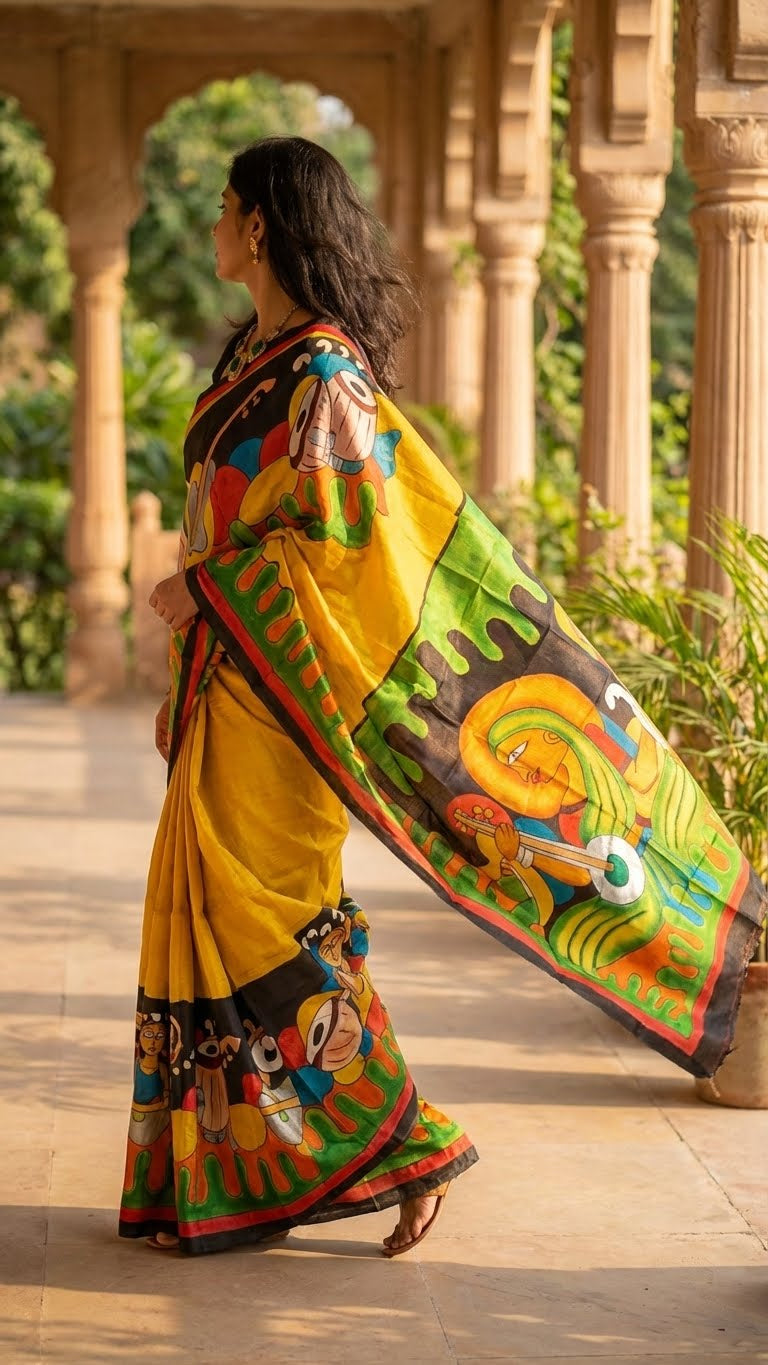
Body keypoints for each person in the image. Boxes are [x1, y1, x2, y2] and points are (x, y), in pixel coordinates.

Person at [119, 137, 765, 1258]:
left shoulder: (324, 373)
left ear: (262, 224)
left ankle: (404, 1141)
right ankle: (230, 1175)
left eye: (226, 209)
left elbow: (344, 541)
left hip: (284, 694)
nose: (214, 229)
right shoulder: (256, 358)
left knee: (265, 917)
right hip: (229, 684)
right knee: (213, 912)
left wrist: (206, 587)